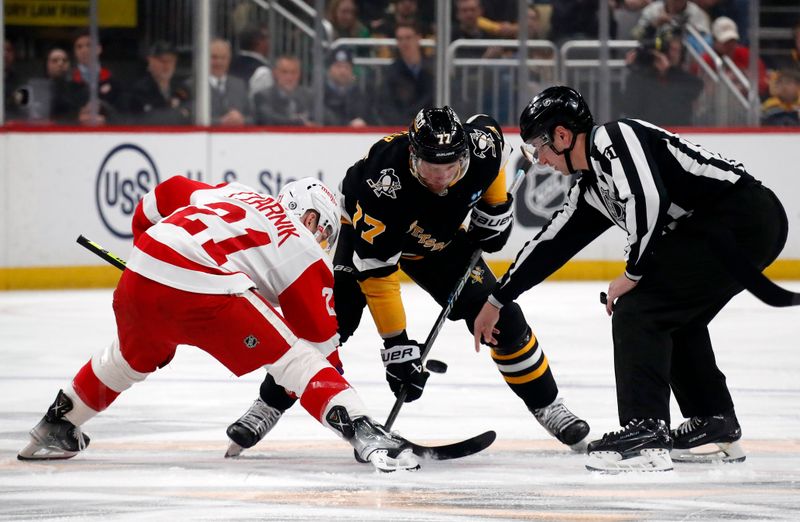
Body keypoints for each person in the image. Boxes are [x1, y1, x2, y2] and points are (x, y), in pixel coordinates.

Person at [225, 106, 591, 457]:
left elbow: (495, 146)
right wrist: (397, 348)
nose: (441, 177)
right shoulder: (381, 185)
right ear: (413, 156)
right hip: (367, 240)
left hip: (437, 244)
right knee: (329, 325)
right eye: (431, 168)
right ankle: (268, 404)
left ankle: (549, 406)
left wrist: (494, 207)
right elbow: (380, 276)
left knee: (502, 317)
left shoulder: (481, 148)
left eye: (450, 167)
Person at [473, 86, 792, 472]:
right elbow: (548, 245)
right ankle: (714, 420)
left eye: (539, 147)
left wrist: (632, 272)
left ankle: (645, 434)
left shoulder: (614, 137)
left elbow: (649, 199)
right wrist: (497, 300)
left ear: (562, 135)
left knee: (639, 310)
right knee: (673, 316)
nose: (540, 160)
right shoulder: (592, 188)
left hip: (743, 218)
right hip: (730, 228)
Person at [17, 176, 420, 473]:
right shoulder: (302, 247)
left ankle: (58, 423)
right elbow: (320, 351)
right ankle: (365, 433)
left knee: (132, 358)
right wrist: (349, 405)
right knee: (294, 360)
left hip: (142, 271)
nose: (323, 241)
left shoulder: (232, 191)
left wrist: (146, 244)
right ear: (310, 215)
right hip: (202, 283)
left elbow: (163, 195)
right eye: (326, 229)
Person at [618, 25, 703, 126]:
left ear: (682, 52)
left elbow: (676, 104)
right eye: (669, 49)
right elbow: (629, 107)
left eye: (675, 50)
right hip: (647, 133)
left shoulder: (688, 81)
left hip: (678, 132)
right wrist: (634, 71)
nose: (671, 54)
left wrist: (668, 72)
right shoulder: (641, 78)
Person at [376, 23, 434, 125]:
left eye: (408, 38)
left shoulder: (433, 69)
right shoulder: (391, 72)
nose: (404, 43)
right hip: (401, 128)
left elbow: (433, 99)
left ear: (418, 38)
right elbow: (386, 104)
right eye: (400, 39)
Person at [127, 41, 192, 125]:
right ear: (150, 61)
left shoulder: (183, 89)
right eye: (163, 61)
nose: (167, 66)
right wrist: (177, 114)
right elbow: (147, 119)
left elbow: (191, 113)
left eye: (171, 61)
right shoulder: (139, 90)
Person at [253, 55, 315, 126]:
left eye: (293, 72)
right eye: (284, 72)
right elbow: (268, 119)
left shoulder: (308, 96)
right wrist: (300, 124)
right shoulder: (263, 96)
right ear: (275, 73)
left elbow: (321, 117)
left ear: (299, 74)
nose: (289, 77)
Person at [322, 47, 373, 127]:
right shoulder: (321, 94)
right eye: (338, 66)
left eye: (346, 67)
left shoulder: (358, 94)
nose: (343, 71)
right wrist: (347, 125)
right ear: (329, 69)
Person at [209, 38, 251, 126]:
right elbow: (190, 119)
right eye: (214, 57)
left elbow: (252, 117)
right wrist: (220, 122)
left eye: (223, 58)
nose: (219, 62)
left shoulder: (239, 85)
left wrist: (241, 120)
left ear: (229, 59)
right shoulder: (193, 86)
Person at [229, 23, 274, 102]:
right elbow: (262, 102)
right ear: (259, 42)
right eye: (267, 38)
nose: (269, 42)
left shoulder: (229, 62)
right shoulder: (262, 71)